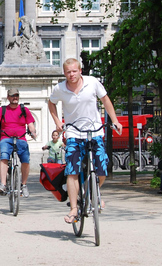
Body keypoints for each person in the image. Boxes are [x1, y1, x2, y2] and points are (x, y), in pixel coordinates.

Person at [48, 57, 122, 224]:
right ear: (64, 73)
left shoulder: (92, 82)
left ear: (80, 70)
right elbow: (51, 103)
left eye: (74, 71)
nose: (71, 74)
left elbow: (105, 100)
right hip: (74, 132)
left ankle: (91, 192)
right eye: (68, 72)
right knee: (72, 170)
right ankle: (74, 208)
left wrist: (115, 120)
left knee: (102, 168)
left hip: (94, 131)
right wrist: (58, 122)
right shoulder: (60, 88)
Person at [0, 88, 37, 198]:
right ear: (8, 97)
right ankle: (3, 184)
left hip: (21, 138)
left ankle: (24, 185)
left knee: (25, 160)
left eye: (16, 95)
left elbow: (30, 124)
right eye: (12, 96)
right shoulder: (2, 110)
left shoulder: (24, 109)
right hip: (6, 138)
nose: (14, 97)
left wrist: (33, 132)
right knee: (4, 157)